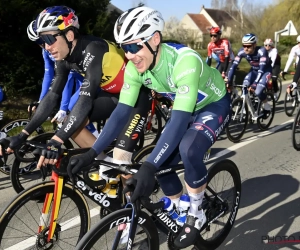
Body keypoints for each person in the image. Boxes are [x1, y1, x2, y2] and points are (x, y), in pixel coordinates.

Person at [66, 6, 231, 248]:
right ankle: (179, 205)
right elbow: (121, 112)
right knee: (161, 160)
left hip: (213, 105)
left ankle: (197, 212)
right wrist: (92, 153)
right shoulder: (135, 68)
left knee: (188, 150)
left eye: (134, 46)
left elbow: (177, 120)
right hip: (185, 107)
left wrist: (149, 167)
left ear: (155, 39)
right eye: (124, 48)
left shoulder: (185, 61)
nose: (130, 55)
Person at [1, 6, 150, 177]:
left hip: (136, 98)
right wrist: (22, 135)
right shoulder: (63, 59)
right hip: (112, 95)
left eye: (49, 39)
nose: (46, 47)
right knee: (69, 122)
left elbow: (85, 99)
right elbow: (52, 96)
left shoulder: (94, 48)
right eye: (41, 42)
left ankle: (132, 196)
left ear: (69, 35)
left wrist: (57, 140)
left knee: (121, 159)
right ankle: (105, 163)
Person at [26, 20, 98, 135]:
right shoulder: (46, 51)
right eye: (39, 42)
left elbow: (67, 78)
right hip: (73, 81)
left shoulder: (61, 48)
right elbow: (48, 75)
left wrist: (63, 109)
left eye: (44, 40)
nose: (44, 45)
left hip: (84, 80)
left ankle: (97, 144)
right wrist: (41, 100)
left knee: (70, 112)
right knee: (70, 116)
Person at [227, 33, 272, 118]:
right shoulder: (241, 52)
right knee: (245, 85)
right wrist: (229, 80)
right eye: (244, 46)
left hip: (265, 71)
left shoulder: (262, 51)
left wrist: (255, 83)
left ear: (254, 45)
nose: (246, 48)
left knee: (258, 91)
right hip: (254, 70)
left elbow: (261, 70)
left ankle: (266, 105)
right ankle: (246, 109)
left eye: (248, 46)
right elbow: (233, 67)